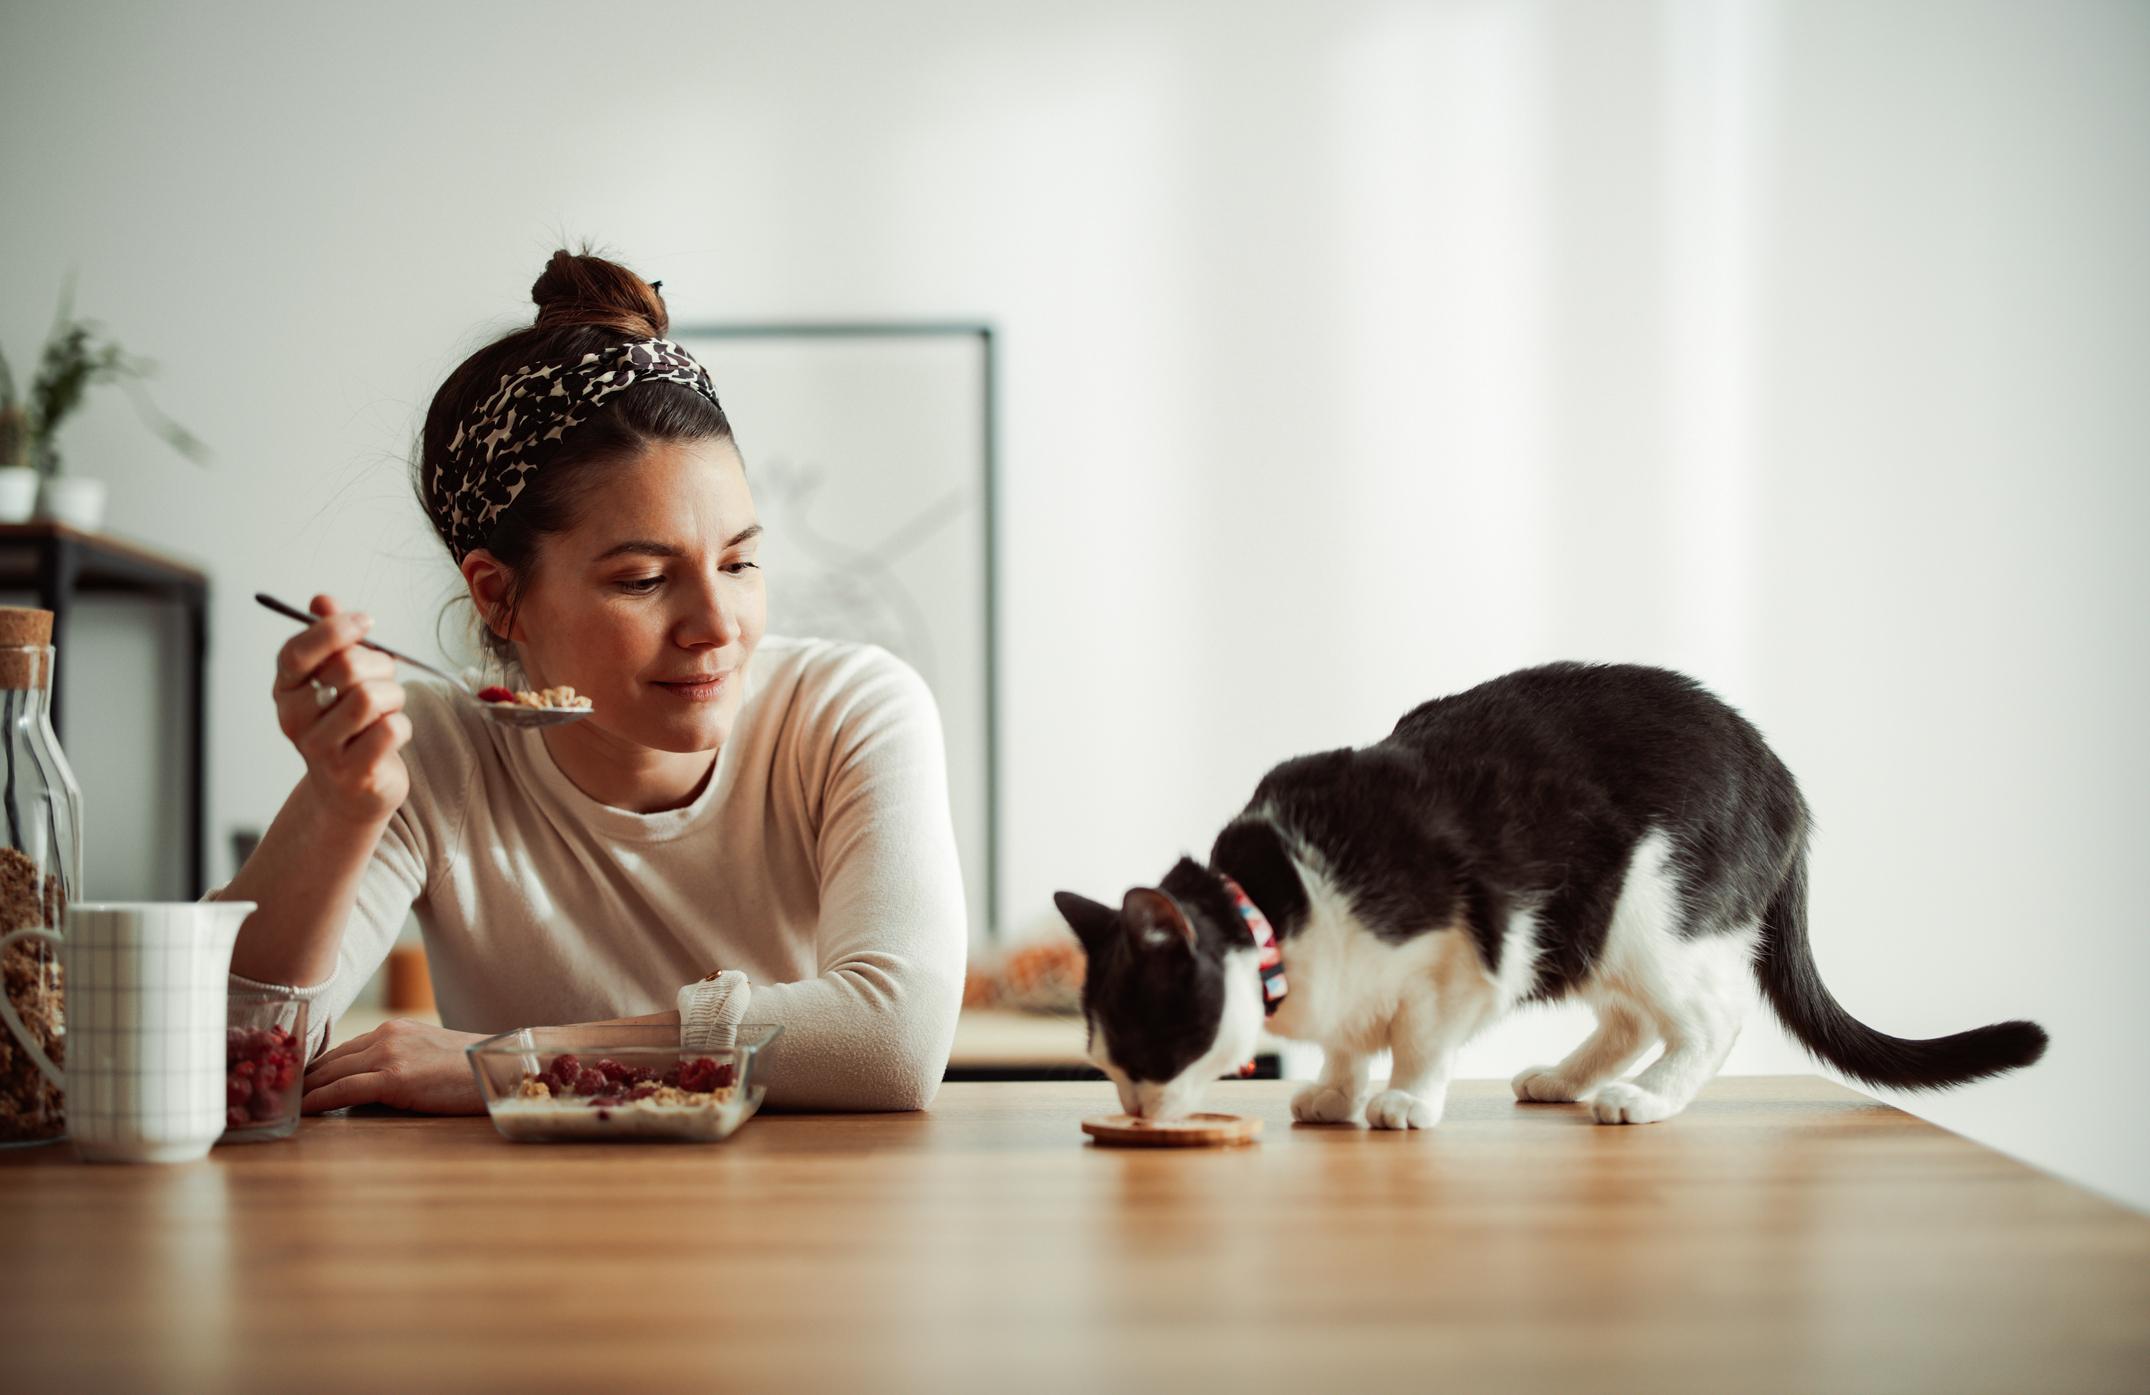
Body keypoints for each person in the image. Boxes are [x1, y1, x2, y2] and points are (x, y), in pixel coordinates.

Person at [216, 249, 966, 1113]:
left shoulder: (847, 712)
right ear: (500, 596)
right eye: (643, 580)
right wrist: (337, 806)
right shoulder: (433, 757)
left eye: (740, 561)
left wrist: (517, 1061)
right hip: (528, 1238)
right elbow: (240, 1062)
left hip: (795, 1230)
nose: (717, 626)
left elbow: (893, 1041)